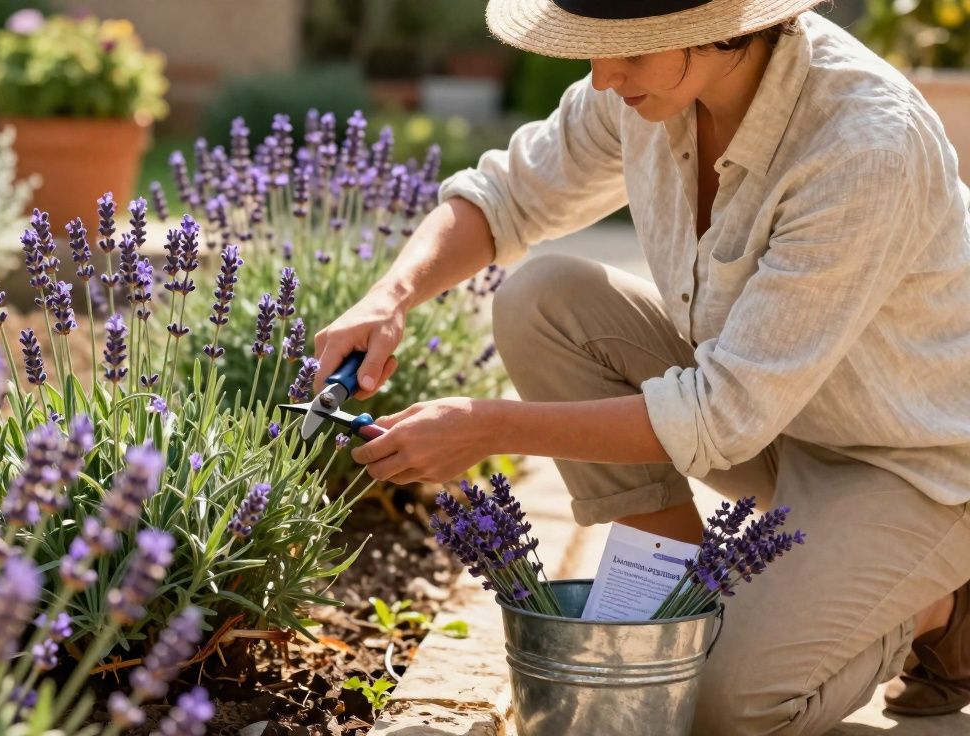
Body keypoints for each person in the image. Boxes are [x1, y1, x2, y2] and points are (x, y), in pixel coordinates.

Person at [312, 1, 970, 733]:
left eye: (626, 48)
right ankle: (688, 610)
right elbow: (507, 196)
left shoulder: (862, 143)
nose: (601, 76)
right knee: (541, 300)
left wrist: (486, 427)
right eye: (592, 46)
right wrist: (390, 295)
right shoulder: (648, 90)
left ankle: (940, 608)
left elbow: (720, 415)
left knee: (724, 706)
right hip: (775, 419)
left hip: (913, 459)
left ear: (725, 27)